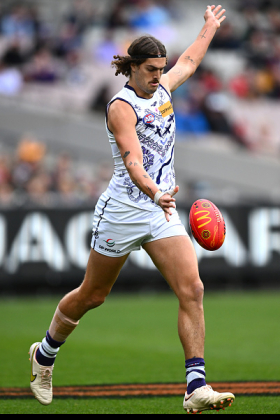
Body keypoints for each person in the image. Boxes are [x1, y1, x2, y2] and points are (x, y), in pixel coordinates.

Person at [29, 5, 235, 413]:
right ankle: (45, 354)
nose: (160, 75)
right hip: (125, 208)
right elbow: (133, 162)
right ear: (133, 68)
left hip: (161, 208)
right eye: (152, 69)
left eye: (162, 68)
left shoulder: (162, 90)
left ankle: (195, 385)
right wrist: (155, 191)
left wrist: (208, 27)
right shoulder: (120, 107)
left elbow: (190, 60)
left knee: (192, 289)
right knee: (93, 295)